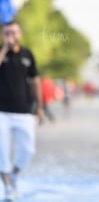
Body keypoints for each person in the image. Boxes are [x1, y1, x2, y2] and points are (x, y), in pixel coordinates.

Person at [0, 21, 43, 201]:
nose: (11, 35)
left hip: (24, 111)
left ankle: (15, 174)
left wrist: (40, 106)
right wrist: (4, 49)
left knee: (28, 149)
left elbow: (35, 81)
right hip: (1, 112)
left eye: (14, 32)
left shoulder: (27, 55)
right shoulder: (1, 52)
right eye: (7, 32)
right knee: (1, 151)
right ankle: (8, 186)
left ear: (20, 34)